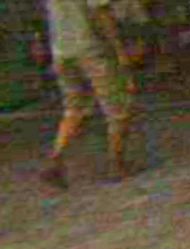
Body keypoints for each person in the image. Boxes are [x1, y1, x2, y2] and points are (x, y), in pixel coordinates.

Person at [40, 0, 136, 190]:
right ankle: (117, 164)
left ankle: (56, 157)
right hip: (92, 50)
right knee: (117, 108)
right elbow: (101, 14)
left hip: (61, 51)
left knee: (73, 109)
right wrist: (119, 50)